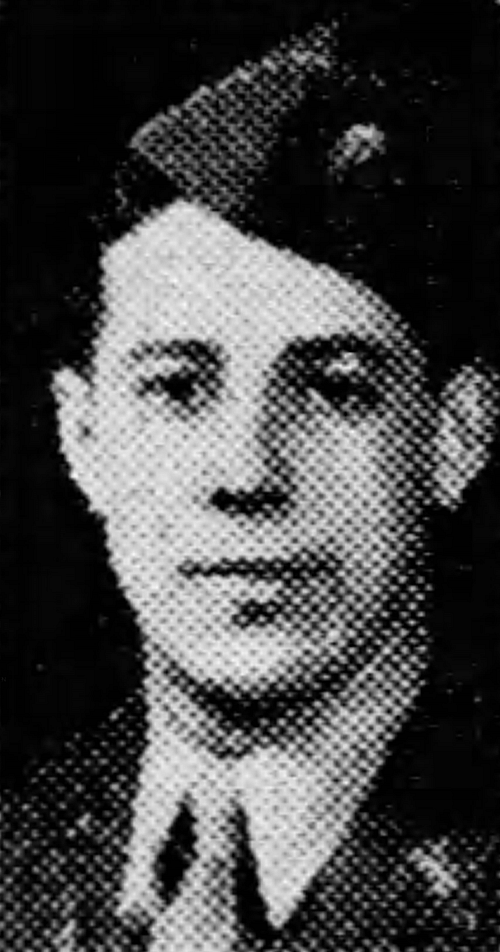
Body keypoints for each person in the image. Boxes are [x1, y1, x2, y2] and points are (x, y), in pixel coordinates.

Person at [2, 4, 500, 949]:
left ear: (455, 435)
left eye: (336, 389)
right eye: (177, 388)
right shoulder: (17, 856)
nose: (247, 473)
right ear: (83, 436)